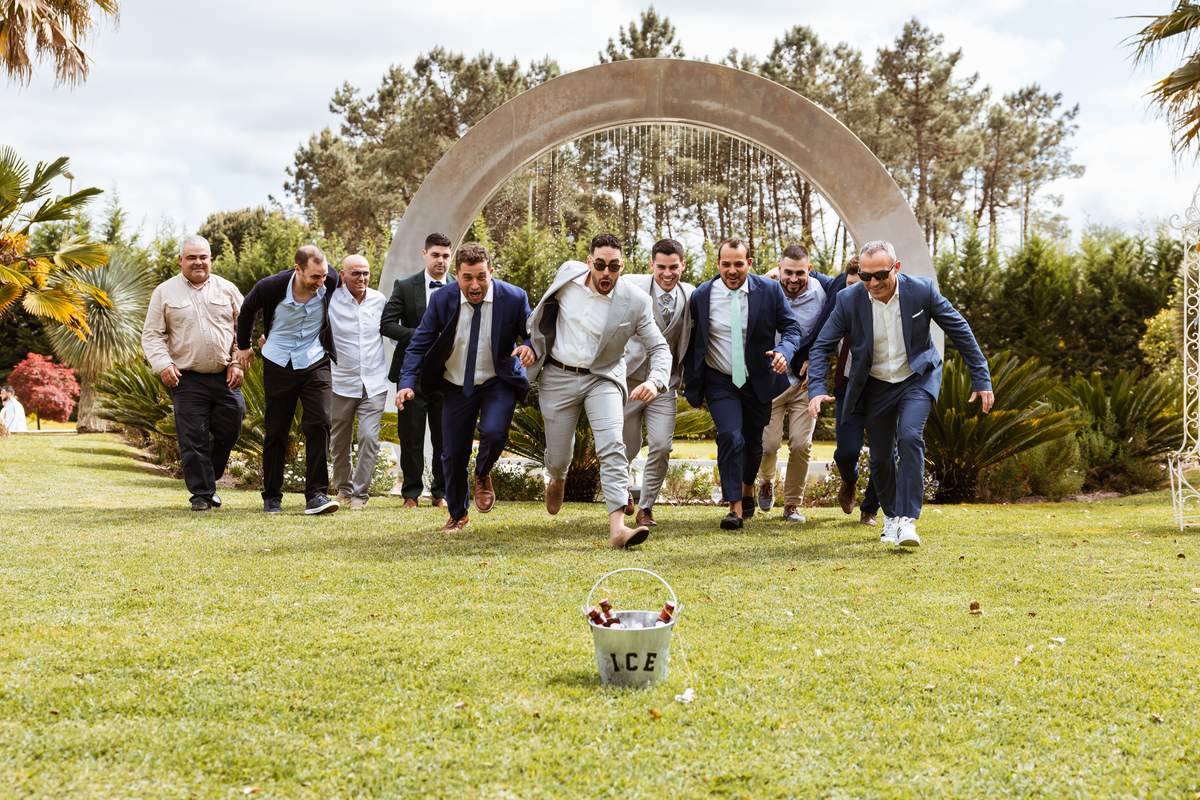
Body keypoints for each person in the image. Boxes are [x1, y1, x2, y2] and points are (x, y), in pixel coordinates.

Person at [808, 240, 993, 547]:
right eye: (866, 276)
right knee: (881, 457)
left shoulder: (922, 291)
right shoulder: (848, 299)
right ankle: (891, 517)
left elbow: (959, 329)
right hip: (876, 384)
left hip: (916, 378)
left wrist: (981, 378)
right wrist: (816, 388)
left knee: (909, 436)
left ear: (896, 267)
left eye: (880, 275)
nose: (873, 283)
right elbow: (821, 347)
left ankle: (907, 521)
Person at [527, 232, 670, 549]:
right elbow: (541, 314)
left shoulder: (635, 301)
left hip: (602, 377)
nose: (607, 272)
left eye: (614, 266)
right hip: (558, 375)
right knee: (559, 456)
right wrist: (530, 346)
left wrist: (654, 381)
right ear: (589, 262)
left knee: (612, 444)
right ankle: (557, 475)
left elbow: (659, 347)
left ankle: (618, 530)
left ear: (622, 265)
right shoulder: (567, 275)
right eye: (600, 265)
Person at [396, 243, 534, 532]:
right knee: (452, 454)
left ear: (491, 272)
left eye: (481, 277)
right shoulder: (442, 299)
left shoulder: (514, 297)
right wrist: (406, 383)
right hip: (456, 384)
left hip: (497, 380)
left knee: (494, 433)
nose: (475, 285)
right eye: (467, 277)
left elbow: (533, 334)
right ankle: (458, 515)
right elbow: (419, 344)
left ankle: (482, 472)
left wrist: (528, 347)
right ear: (456, 274)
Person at [683, 237, 801, 530]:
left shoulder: (770, 290)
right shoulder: (702, 295)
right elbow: (692, 340)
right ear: (718, 264)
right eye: (726, 264)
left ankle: (748, 487)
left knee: (753, 445)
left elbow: (791, 327)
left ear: (749, 263)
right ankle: (734, 507)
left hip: (757, 379)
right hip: (720, 380)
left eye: (738, 264)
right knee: (730, 436)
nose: (732, 270)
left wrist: (784, 352)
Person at [236, 244, 341, 515]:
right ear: (298, 269)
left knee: (320, 423)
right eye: (315, 276)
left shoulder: (330, 279)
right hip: (279, 361)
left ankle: (316, 495)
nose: (321, 282)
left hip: (315, 359)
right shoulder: (270, 286)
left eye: (324, 275)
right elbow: (247, 310)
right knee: (276, 430)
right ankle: (272, 496)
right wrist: (244, 346)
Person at [141, 235, 244, 511]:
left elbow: (243, 330)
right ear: (180, 260)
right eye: (191, 257)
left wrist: (237, 362)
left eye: (203, 257)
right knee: (193, 437)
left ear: (210, 259)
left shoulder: (228, 289)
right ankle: (201, 495)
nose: (198, 262)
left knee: (233, 422)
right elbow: (152, 334)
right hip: (186, 378)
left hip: (225, 375)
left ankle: (207, 476)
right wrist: (163, 364)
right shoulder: (164, 292)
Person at [621, 238, 695, 528]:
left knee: (662, 446)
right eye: (661, 266)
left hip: (665, 384)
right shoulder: (630, 285)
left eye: (673, 267)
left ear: (683, 266)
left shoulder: (691, 294)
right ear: (651, 264)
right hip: (629, 380)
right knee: (627, 446)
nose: (667, 273)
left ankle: (646, 508)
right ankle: (623, 487)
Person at [755, 244, 829, 523]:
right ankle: (765, 481)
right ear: (779, 268)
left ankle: (792, 505)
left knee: (800, 444)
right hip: (770, 380)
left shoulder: (822, 294)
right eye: (788, 272)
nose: (794, 279)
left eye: (800, 272)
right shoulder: (766, 289)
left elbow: (828, 334)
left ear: (809, 270)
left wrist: (814, 358)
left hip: (803, 383)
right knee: (769, 444)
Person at [381, 233, 452, 509]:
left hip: (448, 375)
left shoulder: (459, 286)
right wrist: (423, 335)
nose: (440, 260)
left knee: (444, 437)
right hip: (411, 373)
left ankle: (440, 492)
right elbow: (387, 324)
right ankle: (410, 493)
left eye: (445, 256)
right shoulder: (405, 285)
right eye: (435, 255)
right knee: (411, 436)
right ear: (425, 254)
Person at [328, 254, 388, 511]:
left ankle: (360, 495)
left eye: (366, 273)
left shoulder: (379, 300)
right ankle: (344, 488)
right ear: (343, 275)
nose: (362, 278)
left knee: (368, 437)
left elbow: (391, 333)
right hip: (341, 381)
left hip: (374, 383)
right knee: (339, 441)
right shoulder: (330, 300)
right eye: (356, 273)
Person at [826, 256, 881, 526]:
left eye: (859, 285)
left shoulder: (882, 309)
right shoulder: (839, 303)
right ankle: (849, 480)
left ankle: (870, 508)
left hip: (881, 386)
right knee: (846, 452)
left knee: (886, 454)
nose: (854, 291)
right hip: (848, 386)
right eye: (849, 284)